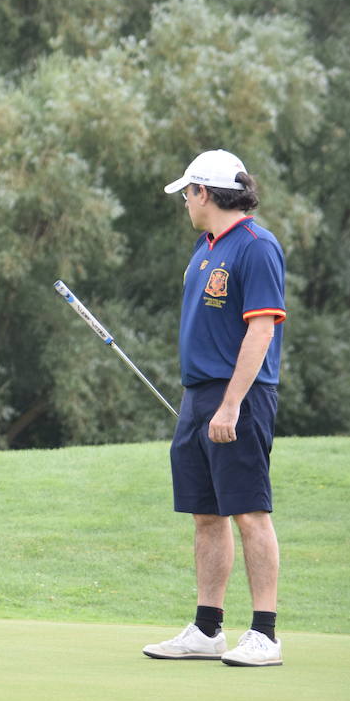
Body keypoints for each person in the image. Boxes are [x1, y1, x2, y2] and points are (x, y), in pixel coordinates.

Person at [142, 150, 287, 667]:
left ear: (204, 193)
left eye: (188, 192)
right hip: (199, 395)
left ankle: (265, 634)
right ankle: (208, 629)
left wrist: (230, 406)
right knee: (207, 514)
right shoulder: (204, 249)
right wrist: (204, 405)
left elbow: (262, 329)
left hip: (239, 395)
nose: (185, 200)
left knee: (249, 512)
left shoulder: (255, 246)